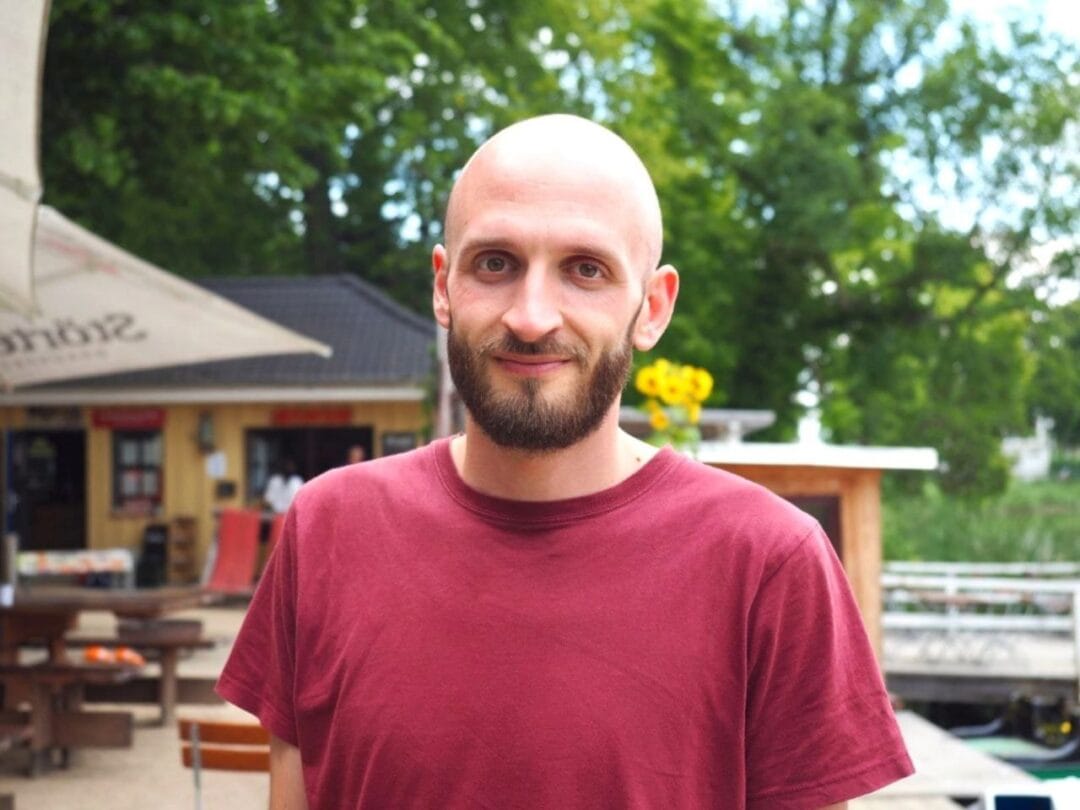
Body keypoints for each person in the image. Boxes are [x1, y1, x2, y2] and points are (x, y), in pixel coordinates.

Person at [218, 114, 913, 809]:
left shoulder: (769, 561)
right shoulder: (328, 529)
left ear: (653, 307)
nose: (530, 316)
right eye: (495, 263)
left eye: (586, 270)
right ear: (442, 286)